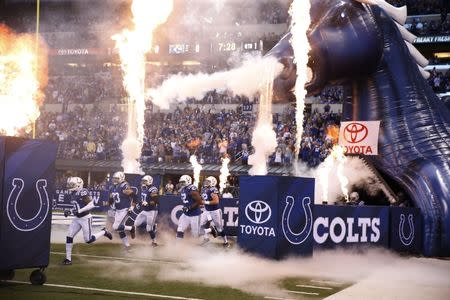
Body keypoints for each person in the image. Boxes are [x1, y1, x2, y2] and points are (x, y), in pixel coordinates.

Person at [62, 177, 112, 265]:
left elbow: (91, 204)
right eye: (70, 184)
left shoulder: (83, 192)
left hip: (85, 218)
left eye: (72, 185)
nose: (70, 186)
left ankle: (104, 232)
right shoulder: (73, 193)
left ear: (78, 185)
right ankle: (68, 259)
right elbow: (76, 207)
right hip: (77, 218)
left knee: (88, 240)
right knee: (69, 236)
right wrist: (69, 211)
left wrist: (79, 211)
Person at [108, 171, 136, 251]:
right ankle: (127, 246)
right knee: (120, 230)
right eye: (114, 178)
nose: (115, 180)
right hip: (118, 210)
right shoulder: (112, 187)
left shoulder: (124, 186)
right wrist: (109, 204)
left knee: (115, 227)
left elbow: (134, 196)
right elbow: (111, 199)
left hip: (125, 209)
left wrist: (132, 206)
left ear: (122, 178)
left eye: (117, 178)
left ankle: (131, 228)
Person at [176, 175, 210, 240]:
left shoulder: (192, 190)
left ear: (188, 181)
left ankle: (208, 230)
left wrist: (189, 207)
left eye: (183, 182)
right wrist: (186, 207)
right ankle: (178, 245)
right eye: (181, 182)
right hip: (186, 214)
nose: (182, 183)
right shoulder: (184, 188)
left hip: (194, 214)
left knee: (195, 234)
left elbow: (199, 202)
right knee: (180, 228)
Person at [201, 176, 228, 247]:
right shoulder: (204, 189)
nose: (206, 182)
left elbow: (216, 201)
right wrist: (202, 204)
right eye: (206, 181)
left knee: (219, 229)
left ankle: (225, 242)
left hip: (214, 211)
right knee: (199, 223)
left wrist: (205, 202)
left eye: (208, 181)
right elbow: (205, 200)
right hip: (207, 210)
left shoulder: (213, 189)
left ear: (212, 183)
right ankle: (206, 237)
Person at [134, 175, 159, 246]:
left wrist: (148, 203)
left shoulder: (153, 189)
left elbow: (156, 201)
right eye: (143, 181)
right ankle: (136, 238)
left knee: (149, 229)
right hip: (145, 210)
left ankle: (154, 242)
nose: (143, 182)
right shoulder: (144, 188)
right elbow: (144, 199)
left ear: (149, 181)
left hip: (152, 211)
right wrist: (140, 203)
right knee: (136, 223)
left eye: (145, 181)